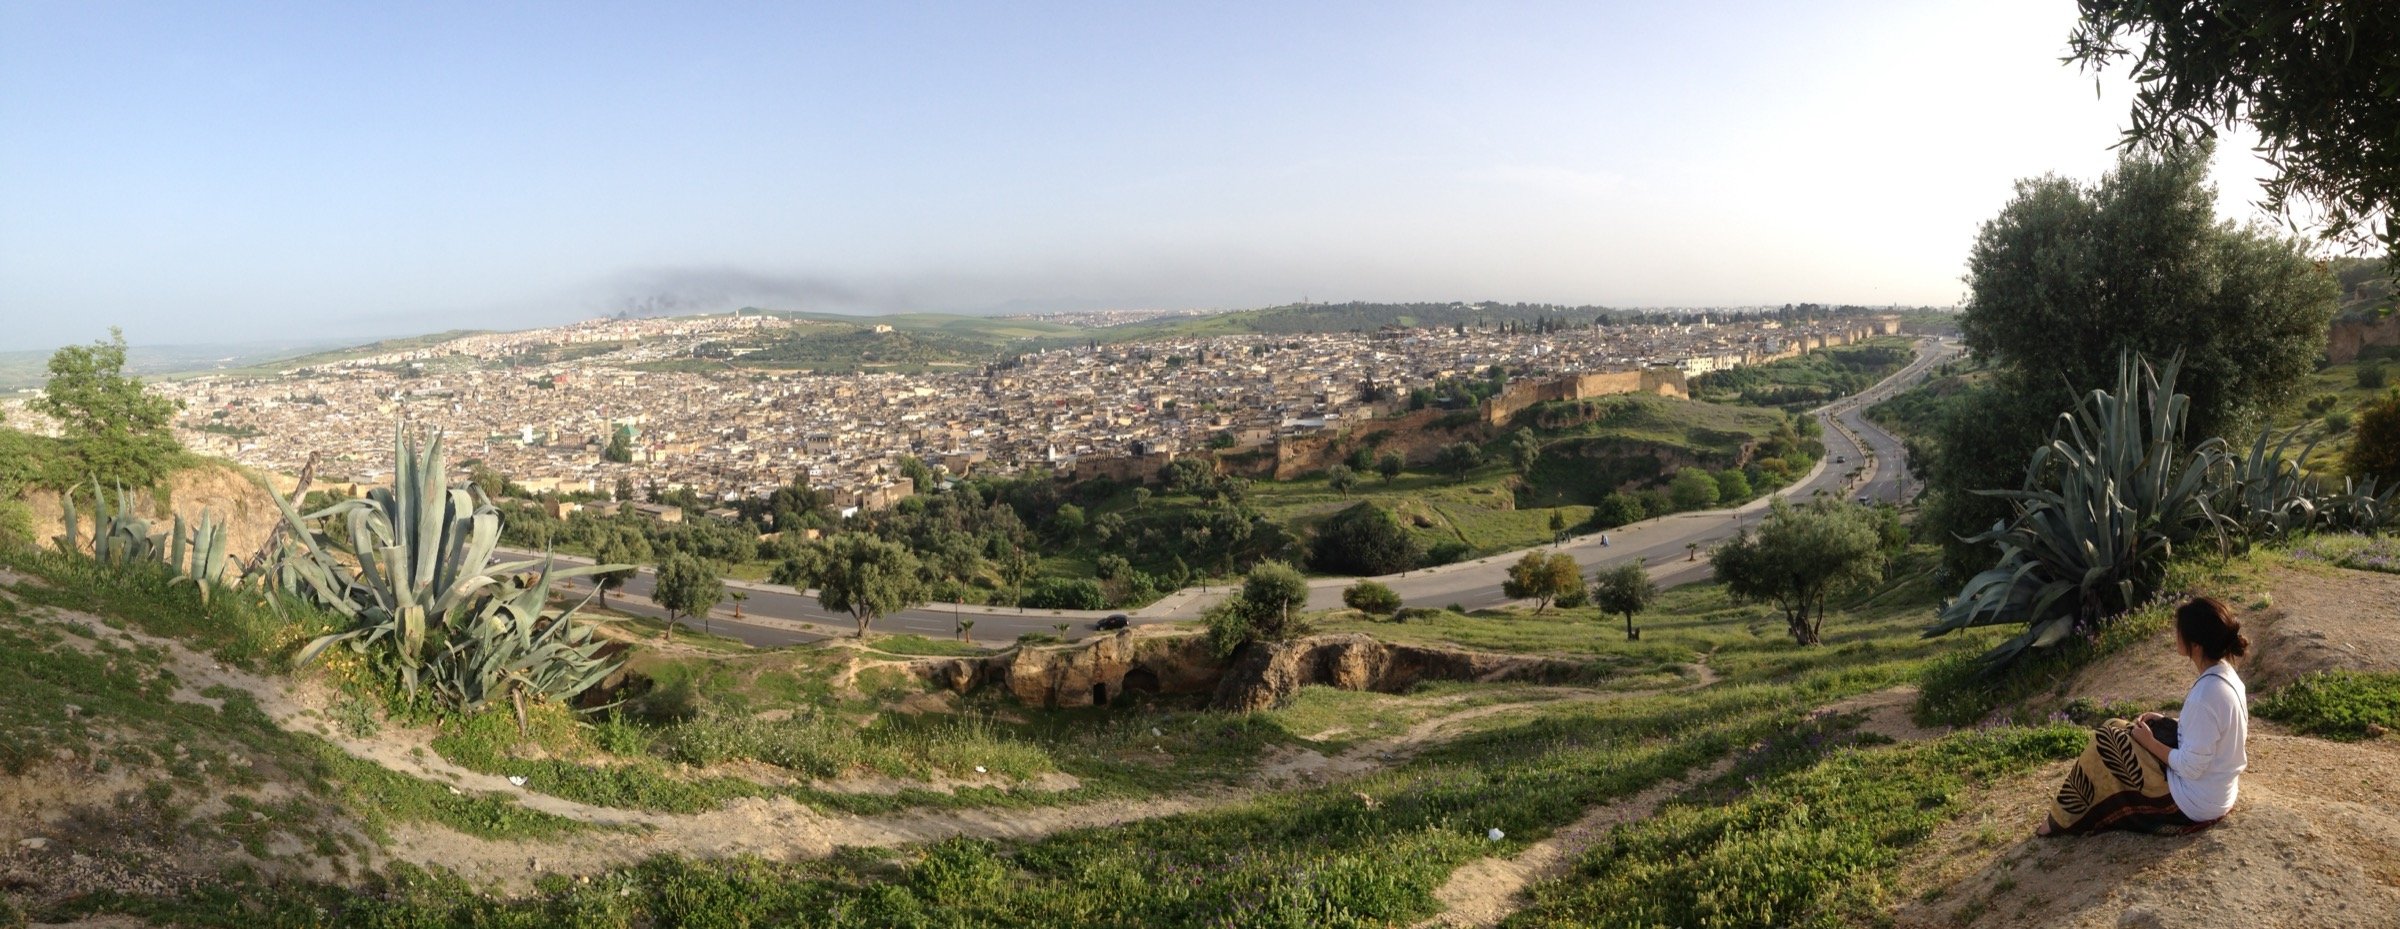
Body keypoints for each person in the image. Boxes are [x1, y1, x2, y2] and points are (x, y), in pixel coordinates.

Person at [2037, 597, 2250, 837]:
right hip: (2217, 791)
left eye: (2179, 630)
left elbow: (2191, 767)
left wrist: (2149, 743)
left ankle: (2060, 820)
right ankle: (2065, 814)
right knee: (2114, 726)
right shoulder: (2226, 675)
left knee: (2106, 740)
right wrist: (2167, 721)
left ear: (2196, 645)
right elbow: (2211, 729)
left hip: (2195, 803)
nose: (2175, 635)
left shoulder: (2205, 695)